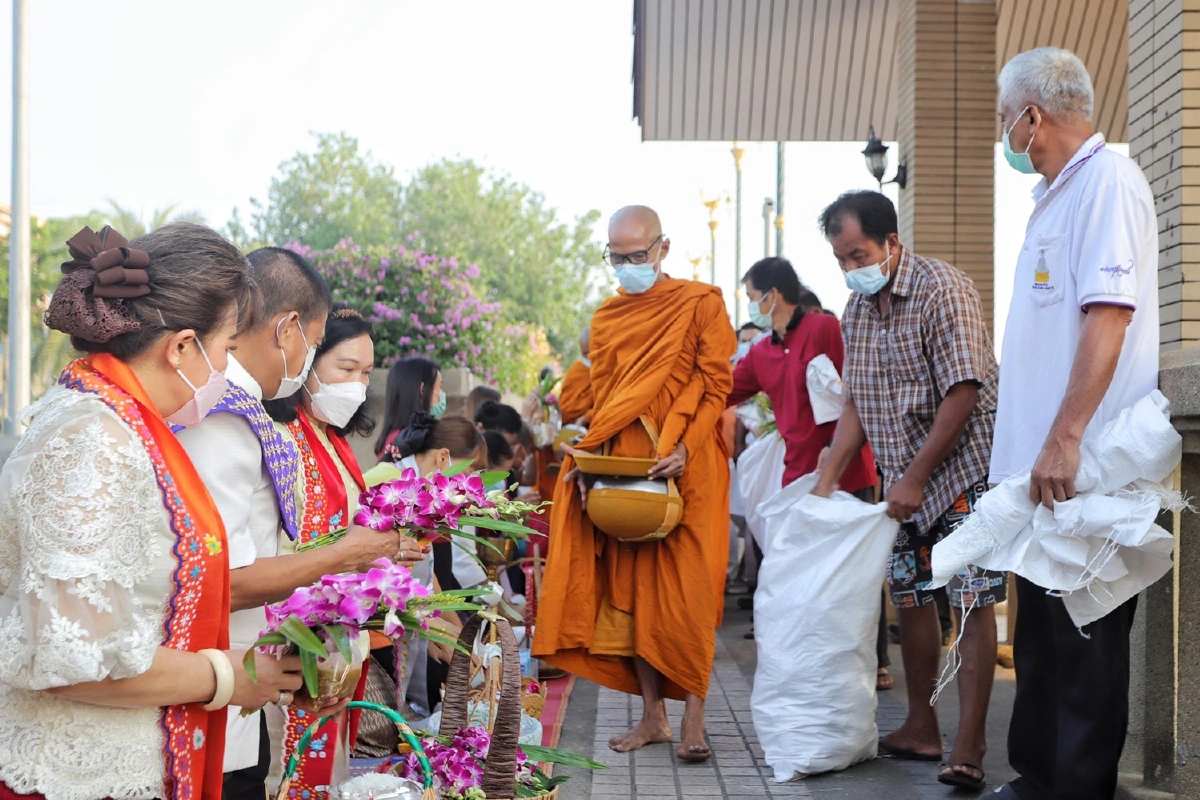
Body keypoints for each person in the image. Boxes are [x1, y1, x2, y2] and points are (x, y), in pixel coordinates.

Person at [0, 223, 302, 800]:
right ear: (182, 347)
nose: (227, 370)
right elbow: (71, 657)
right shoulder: (94, 440)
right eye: (228, 350)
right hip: (73, 778)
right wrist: (225, 677)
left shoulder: (122, 426)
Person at [174, 251, 409, 800]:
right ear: (287, 330)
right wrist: (344, 557)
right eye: (318, 343)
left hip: (243, 679)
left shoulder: (245, 410)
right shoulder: (221, 417)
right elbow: (217, 582)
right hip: (217, 682)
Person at [989, 48, 1158, 800]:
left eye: (1004, 118)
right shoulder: (1054, 198)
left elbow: (1108, 317)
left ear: (1033, 116)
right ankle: (1037, 779)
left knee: (1086, 639)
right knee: (1041, 636)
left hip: (1087, 463)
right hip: (1042, 473)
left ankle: (1077, 790)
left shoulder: (1108, 183)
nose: (1004, 133)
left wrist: (1065, 436)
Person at [812, 191, 1003, 792]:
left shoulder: (942, 288)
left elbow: (964, 389)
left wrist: (919, 476)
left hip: (964, 471)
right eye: (841, 259)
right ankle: (922, 727)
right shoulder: (857, 310)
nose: (850, 269)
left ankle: (969, 745)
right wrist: (823, 481)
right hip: (904, 482)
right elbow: (855, 404)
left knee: (972, 602)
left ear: (891, 243)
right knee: (914, 598)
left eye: (857, 254)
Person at [534, 205, 735, 762]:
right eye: (617, 258)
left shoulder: (700, 304)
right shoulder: (607, 319)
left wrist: (687, 448)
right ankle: (653, 717)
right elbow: (601, 403)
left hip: (691, 469)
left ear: (663, 248)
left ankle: (693, 717)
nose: (627, 267)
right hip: (625, 468)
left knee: (689, 594)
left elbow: (716, 387)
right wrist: (589, 464)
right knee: (632, 593)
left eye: (637, 256)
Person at [263, 305, 425, 798]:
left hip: (335, 634)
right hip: (294, 636)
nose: (356, 383)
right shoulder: (283, 439)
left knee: (327, 768)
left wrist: (386, 553)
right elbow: (289, 544)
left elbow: (345, 529)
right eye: (345, 369)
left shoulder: (334, 440)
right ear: (307, 364)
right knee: (289, 769)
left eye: (366, 372)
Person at [726, 260, 885, 675]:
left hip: (847, 474)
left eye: (751, 297)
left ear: (772, 295)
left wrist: (835, 448)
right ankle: (817, 665)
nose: (752, 307)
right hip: (796, 483)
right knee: (807, 581)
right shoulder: (760, 352)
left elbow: (855, 390)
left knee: (856, 579)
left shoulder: (823, 329)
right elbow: (722, 390)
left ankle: (876, 663)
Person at [381, 413, 488, 714]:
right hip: (384, 625)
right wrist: (435, 634)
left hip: (410, 618)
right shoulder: (389, 482)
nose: (471, 485)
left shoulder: (426, 497)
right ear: (444, 457)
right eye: (471, 472)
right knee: (444, 677)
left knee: (456, 669)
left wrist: (459, 639)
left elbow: (429, 579)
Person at [375, 357, 443, 458]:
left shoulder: (396, 439)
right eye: (440, 386)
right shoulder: (408, 445)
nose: (441, 394)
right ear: (423, 389)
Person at [559, 327, 594, 426]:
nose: (588, 357)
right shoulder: (575, 371)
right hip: (566, 426)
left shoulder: (606, 372)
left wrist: (586, 417)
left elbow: (605, 406)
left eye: (590, 352)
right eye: (584, 353)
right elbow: (565, 407)